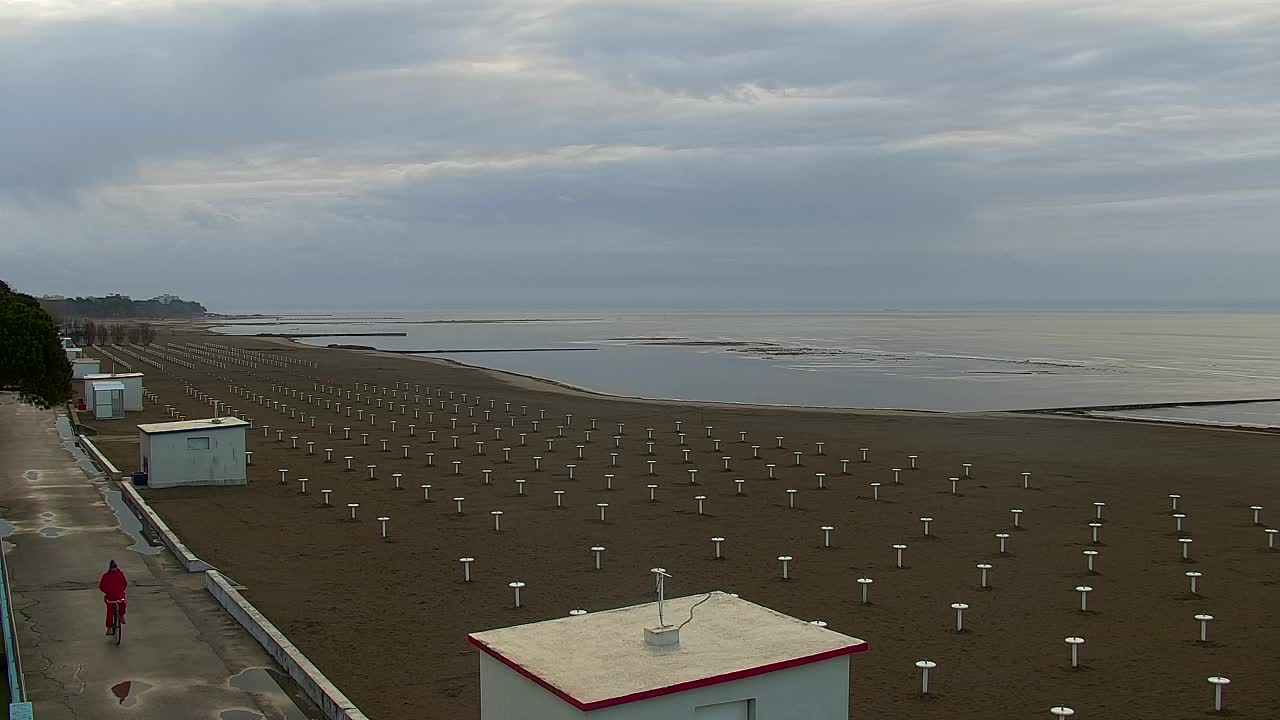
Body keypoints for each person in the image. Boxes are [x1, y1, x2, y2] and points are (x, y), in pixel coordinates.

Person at [99, 559, 127, 634]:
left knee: (114, 609)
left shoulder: (108, 575)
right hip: (115, 596)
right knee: (118, 607)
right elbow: (125, 584)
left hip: (113, 596)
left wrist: (108, 591)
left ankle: (111, 626)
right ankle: (119, 618)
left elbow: (102, 586)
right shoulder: (117, 574)